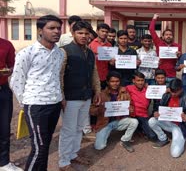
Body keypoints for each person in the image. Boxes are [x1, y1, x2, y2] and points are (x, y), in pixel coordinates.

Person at [10, 15, 64, 171]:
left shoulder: (59, 53)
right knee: (39, 148)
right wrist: (26, 103)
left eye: (58, 28)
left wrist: (60, 98)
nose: (56, 31)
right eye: (51, 28)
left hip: (54, 104)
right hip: (36, 106)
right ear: (40, 30)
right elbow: (17, 81)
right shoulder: (27, 53)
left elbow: (55, 77)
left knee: (45, 145)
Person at [59, 21, 102, 170]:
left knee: (79, 128)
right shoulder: (64, 51)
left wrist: (97, 90)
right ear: (73, 34)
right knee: (68, 129)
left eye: (86, 33)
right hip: (70, 97)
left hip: (86, 96)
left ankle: (73, 154)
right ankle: (63, 162)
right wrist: (61, 96)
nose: (84, 36)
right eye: (80, 33)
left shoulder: (89, 52)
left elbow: (94, 73)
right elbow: (59, 75)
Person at [91, 71, 138, 152]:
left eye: (117, 81)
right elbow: (91, 111)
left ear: (120, 82)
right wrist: (99, 109)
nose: (115, 84)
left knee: (134, 122)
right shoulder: (101, 94)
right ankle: (104, 134)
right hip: (104, 123)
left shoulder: (124, 92)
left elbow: (130, 105)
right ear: (107, 82)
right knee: (99, 147)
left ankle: (125, 140)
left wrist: (130, 109)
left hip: (119, 121)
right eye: (112, 81)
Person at [148, 78, 186, 158]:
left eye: (175, 92)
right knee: (152, 121)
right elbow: (158, 107)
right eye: (172, 91)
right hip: (167, 122)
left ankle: (182, 138)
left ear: (181, 89)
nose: (173, 94)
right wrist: (156, 112)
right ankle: (163, 138)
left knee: (175, 154)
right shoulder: (166, 95)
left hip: (180, 126)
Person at [0, 39, 22, 171]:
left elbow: (12, 66)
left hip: (2, 90)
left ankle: (3, 163)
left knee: (3, 129)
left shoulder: (6, 45)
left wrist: (8, 71)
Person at [149, 14, 182, 83]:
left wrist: (179, 56)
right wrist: (154, 18)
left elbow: (178, 62)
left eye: (170, 35)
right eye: (166, 35)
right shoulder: (159, 43)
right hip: (160, 75)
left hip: (172, 75)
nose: (168, 36)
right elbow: (151, 30)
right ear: (163, 36)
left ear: (172, 36)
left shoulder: (177, 46)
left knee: (171, 93)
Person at [126, 71, 157, 140]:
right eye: (138, 80)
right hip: (132, 115)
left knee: (153, 136)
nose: (140, 82)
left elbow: (159, 92)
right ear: (133, 81)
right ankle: (137, 129)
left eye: (142, 80)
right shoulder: (128, 88)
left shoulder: (148, 89)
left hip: (144, 115)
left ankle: (139, 129)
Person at [89, 23, 111, 90]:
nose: (104, 33)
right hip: (94, 76)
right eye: (102, 31)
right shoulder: (91, 44)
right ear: (97, 31)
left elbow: (110, 60)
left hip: (105, 76)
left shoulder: (109, 45)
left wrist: (112, 61)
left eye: (106, 32)